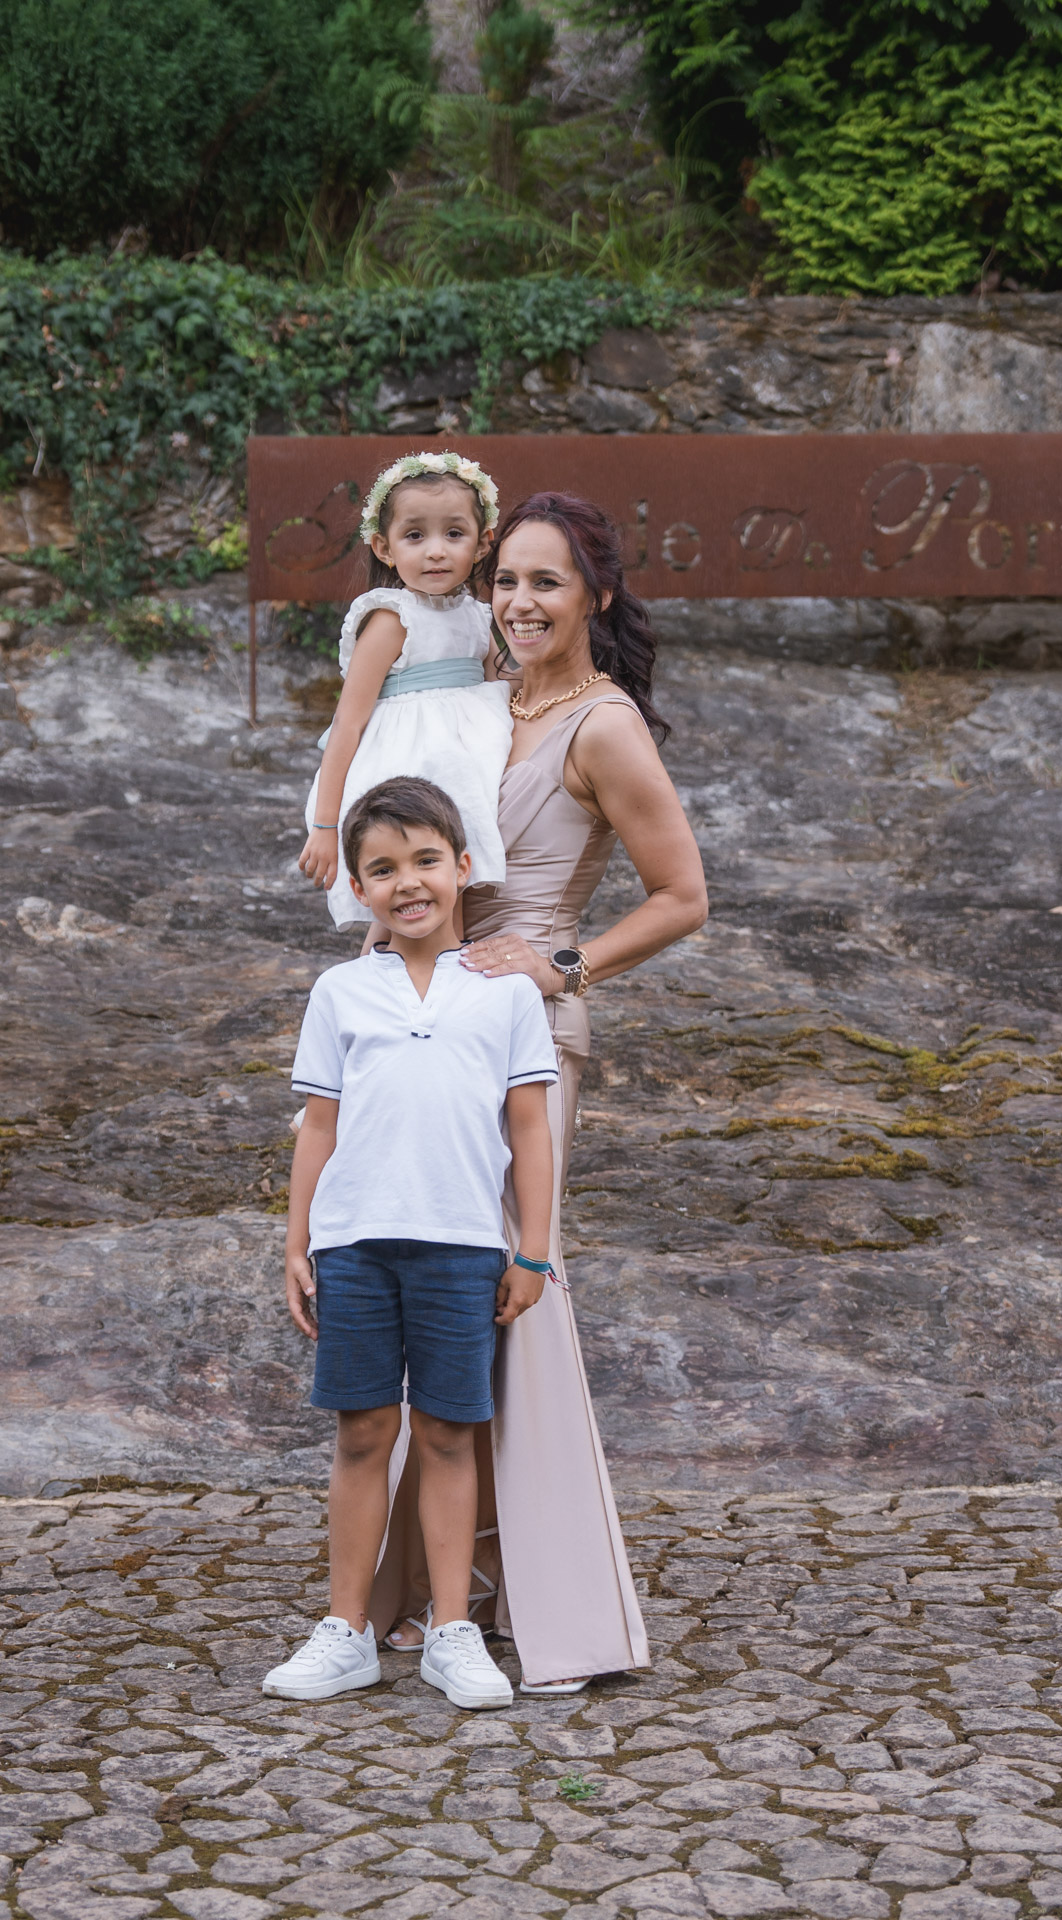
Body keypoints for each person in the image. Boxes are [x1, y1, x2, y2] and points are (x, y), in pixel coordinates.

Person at [373, 492, 709, 1693]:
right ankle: (448, 1587)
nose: (517, 602)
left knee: (513, 1289)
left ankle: (544, 1601)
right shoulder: (474, 693)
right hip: (425, 1020)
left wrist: (560, 962)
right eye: (504, 579)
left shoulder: (600, 727)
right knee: (435, 1285)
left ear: (594, 597)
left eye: (545, 582)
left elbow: (681, 896)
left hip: (525, 1030)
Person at [265, 776, 559, 1710]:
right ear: (358, 888)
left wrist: (533, 1252)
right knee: (363, 1433)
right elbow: (319, 1126)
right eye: (383, 869)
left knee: (446, 1435)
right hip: (354, 1245)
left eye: (426, 860)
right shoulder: (340, 991)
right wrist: (298, 1242)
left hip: (462, 1247)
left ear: (464, 867)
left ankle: (451, 1630)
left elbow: (530, 1131)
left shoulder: (506, 995)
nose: (408, 883)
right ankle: (346, 1630)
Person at [299, 450, 512, 932]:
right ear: (384, 547)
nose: (436, 551)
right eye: (415, 535)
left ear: (483, 543)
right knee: (402, 903)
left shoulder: (479, 616)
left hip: (465, 769)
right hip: (406, 768)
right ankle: (378, 973)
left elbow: (500, 690)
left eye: (454, 534)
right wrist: (325, 825)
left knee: (448, 895)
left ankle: (446, 968)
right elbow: (347, 722)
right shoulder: (393, 618)